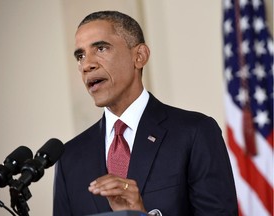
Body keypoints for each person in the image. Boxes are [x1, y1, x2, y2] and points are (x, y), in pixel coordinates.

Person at [53, 10, 238, 216]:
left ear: (139, 56)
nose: (87, 64)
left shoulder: (194, 132)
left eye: (101, 48)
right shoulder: (69, 157)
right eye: (80, 55)